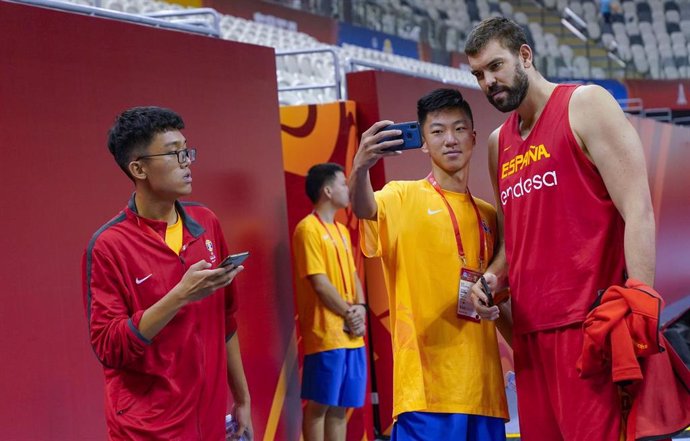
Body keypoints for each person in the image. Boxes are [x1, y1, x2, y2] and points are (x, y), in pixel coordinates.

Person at [465, 17, 656, 441]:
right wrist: (493, 279)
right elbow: (518, 240)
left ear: (525, 55)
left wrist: (641, 308)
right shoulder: (499, 143)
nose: (488, 81)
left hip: (591, 329)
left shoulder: (585, 104)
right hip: (531, 341)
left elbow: (638, 208)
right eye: (478, 74)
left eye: (495, 66)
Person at [81, 107, 253, 440]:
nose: (186, 161)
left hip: (209, 421)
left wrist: (242, 398)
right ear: (138, 168)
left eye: (186, 150)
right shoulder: (108, 246)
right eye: (173, 153)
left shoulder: (206, 223)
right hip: (146, 429)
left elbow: (226, 320)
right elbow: (110, 347)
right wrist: (179, 296)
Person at [349, 88, 508, 440]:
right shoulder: (400, 195)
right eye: (437, 131)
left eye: (459, 129)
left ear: (473, 137)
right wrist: (360, 167)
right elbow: (363, 209)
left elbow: (502, 292)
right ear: (423, 141)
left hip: (484, 394)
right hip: (425, 393)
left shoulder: (489, 215)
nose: (450, 140)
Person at [292, 163, 367, 441]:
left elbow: (354, 276)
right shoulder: (307, 229)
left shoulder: (342, 231)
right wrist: (350, 314)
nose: (347, 189)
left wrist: (361, 309)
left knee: (339, 408)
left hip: (352, 335)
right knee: (319, 405)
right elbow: (319, 283)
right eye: (343, 184)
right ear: (327, 190)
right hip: (326, 335)